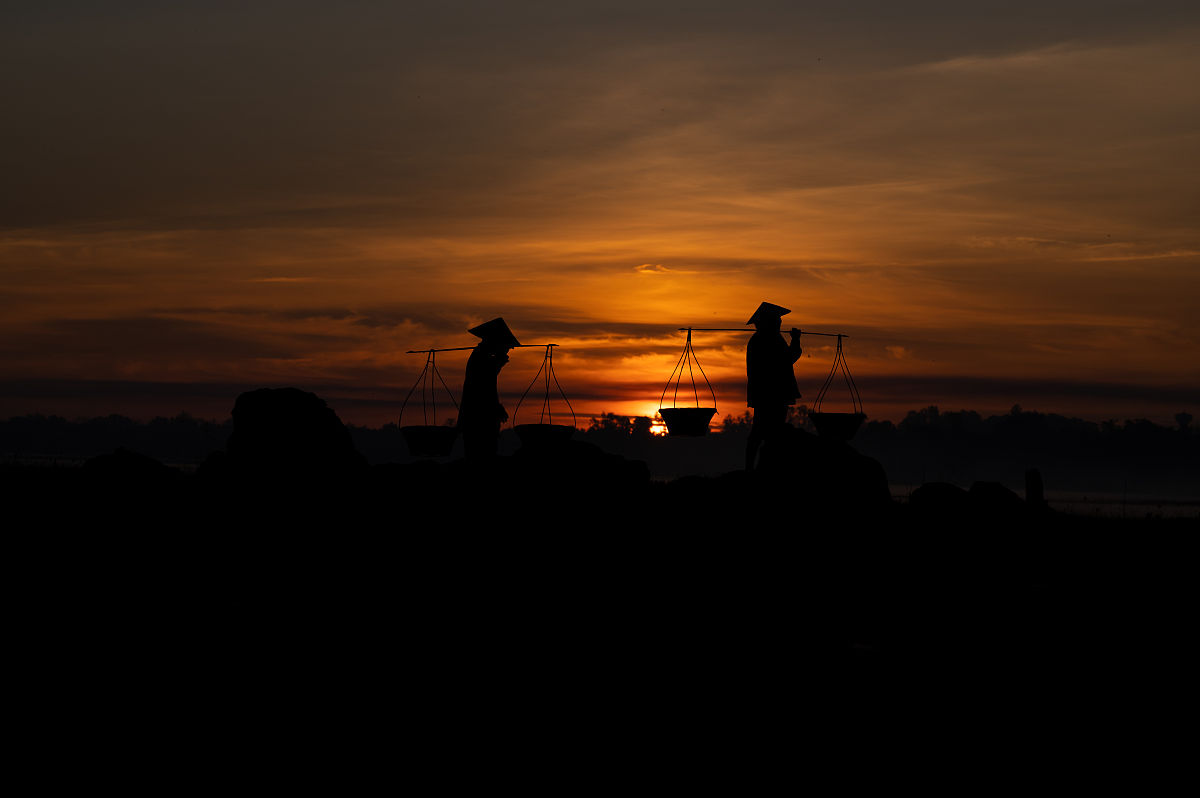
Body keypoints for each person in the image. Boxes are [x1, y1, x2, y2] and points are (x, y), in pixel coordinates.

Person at [745, 301, 802, 471]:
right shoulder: (768, 340)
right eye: (776, 321)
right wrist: (796, 341)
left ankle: (758, 467)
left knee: (764, 432)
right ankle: (760, 468)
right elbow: (788, 358)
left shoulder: (762, 339)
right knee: (768, 432)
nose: (779, 324)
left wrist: (794, 341)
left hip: (767, 393)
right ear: (768, 322)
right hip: (773, 394)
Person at [458, 317, 520, 461]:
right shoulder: (481, 358)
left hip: (478, 418)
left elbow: (488, 379)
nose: (507, 349)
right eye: (505, 345)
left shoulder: (482, 356)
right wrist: (495, 408)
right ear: (495, 342)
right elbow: (482, 387)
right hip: (479, 421)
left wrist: (499, 361)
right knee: (481, 456)